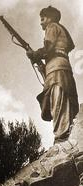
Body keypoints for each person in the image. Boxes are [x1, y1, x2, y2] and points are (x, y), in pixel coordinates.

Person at [26, 6, 79, 143]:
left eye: (43, 18)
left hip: (56, 70)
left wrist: (35, 54)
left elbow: (48, 48)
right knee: (63, 100)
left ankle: (62, 136)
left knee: (58, 101)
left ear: (50, 18)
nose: (41, 22)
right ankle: (67, 134)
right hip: (61, 67)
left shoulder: (52, 26)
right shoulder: (59, 29)